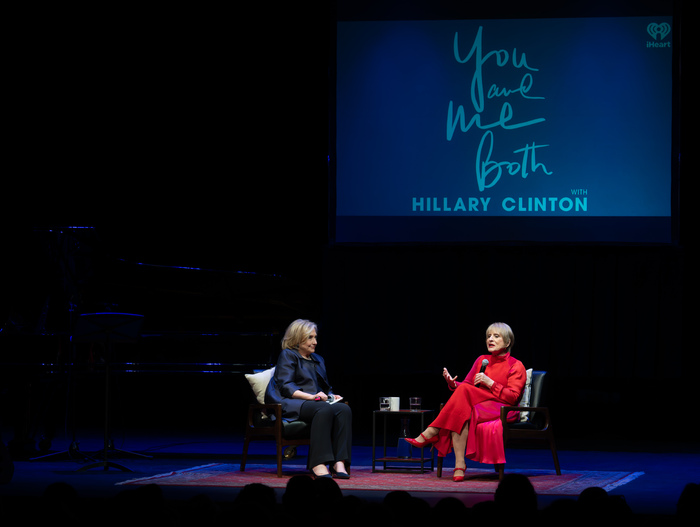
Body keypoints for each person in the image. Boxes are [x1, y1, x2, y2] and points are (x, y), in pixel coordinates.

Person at [405, 322, 526, 482]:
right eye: (488, 336)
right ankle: (459, 464)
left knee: (463, 409)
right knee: (463, 410)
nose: (491, 339)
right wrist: (453, 384)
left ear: (508, 342)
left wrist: (490, 383)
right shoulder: (482, 360)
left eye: (496, 336)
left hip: (503, 408)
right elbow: (467, 386)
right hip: (479, 405)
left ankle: (432, 431)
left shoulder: (516, 365)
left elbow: (513, 397)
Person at [265, 319, 352, 479]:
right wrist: (312, 397)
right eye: (310, 338)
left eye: (315, 337)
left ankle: (339, 461)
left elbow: (324, 388)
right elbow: (286, 386)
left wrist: (332, 396)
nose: (315, 342)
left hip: (314, 403)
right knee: (323, 408)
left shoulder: (318, 359)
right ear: (298, 338)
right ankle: (318, 463)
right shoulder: (288, 355)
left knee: (343, 409)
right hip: (291, 402)